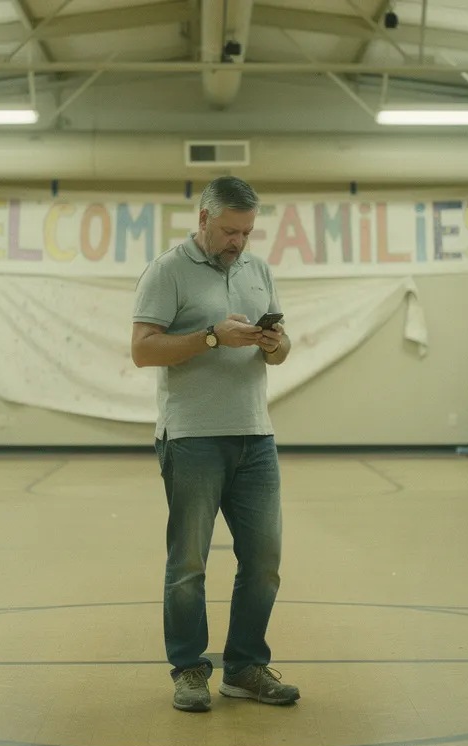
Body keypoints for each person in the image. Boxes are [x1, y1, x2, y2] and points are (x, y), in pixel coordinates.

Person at [130, 176, 300, 713]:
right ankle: (189, 669)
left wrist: (275, 344)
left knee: (265, 560)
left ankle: (245, 666)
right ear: (203, 219)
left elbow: (280, 353)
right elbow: (142, 350)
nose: (239, 242)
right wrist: (209, 338)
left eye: (247, 232)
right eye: (230, 231)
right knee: (189, 564)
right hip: (192, 437)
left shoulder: (258, 270)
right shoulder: (166, 270)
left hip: (255, 435)